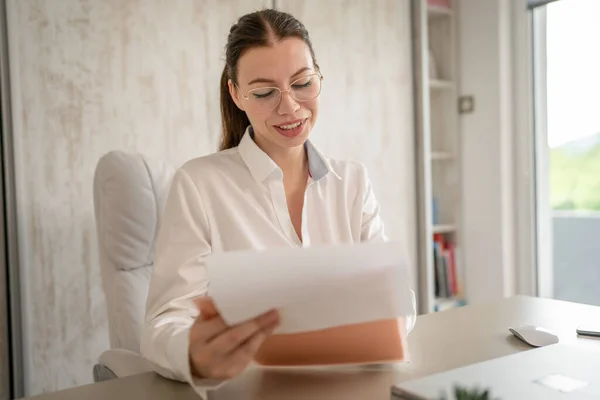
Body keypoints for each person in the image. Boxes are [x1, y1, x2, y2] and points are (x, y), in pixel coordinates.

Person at [140, 7, 416, 394]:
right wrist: (193, 355)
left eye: (302, 83)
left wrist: (389, 314)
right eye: (265, 92)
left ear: (319, 77)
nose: (289, 107)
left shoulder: (352, 181)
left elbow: (398, 302)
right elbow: (164, 323)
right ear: (236, 94)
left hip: (348, 388)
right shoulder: (199, 184)